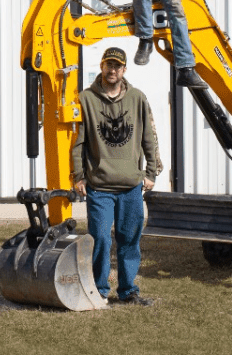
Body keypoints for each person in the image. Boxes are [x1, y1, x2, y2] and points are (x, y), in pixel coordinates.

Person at [70, 47, 161, 305]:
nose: (112, 70)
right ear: (101, 66)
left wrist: (151, 171)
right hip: (99, 186)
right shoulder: (85, 99)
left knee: (129, 239)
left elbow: (149, 138)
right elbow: (78, 143)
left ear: (124, 70)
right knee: (99, 237)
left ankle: (128, 291)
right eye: (108, 65)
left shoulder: (137, 98)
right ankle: (99, 290)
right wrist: (78, 175)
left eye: (117, 66)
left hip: (131, 185)